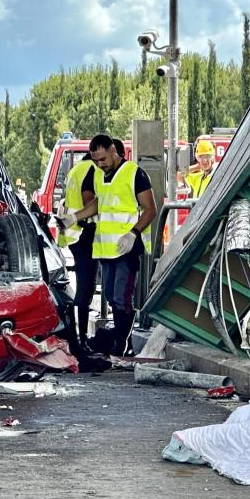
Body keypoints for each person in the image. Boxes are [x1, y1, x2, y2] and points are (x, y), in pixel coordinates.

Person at [56, 134, 156, 356]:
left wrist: (134, 233)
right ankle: (120, 342)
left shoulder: (134, 173)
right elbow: (99, 204)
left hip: (128, 248)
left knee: (121, 297)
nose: (99, 164)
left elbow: (150, 208)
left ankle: (121, 345)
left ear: (113, 151)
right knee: (111, 296)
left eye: (102, 159)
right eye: (95, 160)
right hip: (106, 249)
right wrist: (75, 217)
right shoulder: (100, 176)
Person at [57, 152, 98, 353]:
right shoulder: (91, 169)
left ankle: (78, 339)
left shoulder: (75, 170)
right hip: (85, 233)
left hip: (74, 236)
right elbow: (89, 199)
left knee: (83, 288)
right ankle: (80, 341)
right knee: (85, 289)